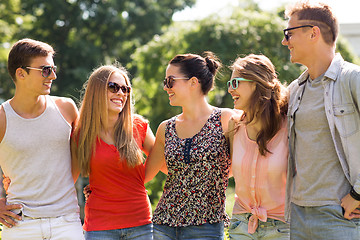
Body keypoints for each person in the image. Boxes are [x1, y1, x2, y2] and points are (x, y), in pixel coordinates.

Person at [282, 1, 360, 239]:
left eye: (289, 33)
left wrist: (357, 194)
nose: (285, 41)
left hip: (340, 217)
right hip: (298, 215)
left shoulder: (352, 79)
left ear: (313, 32)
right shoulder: (295, 90)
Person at [145, 52, 235, 239]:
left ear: (193, 82)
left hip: (206, 226)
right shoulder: (166, 128)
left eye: (170, 81)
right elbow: (143, 176)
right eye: (165, 82)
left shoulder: (226, 119)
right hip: (164, 224)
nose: (165, 87)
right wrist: (101, 187)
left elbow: (244, 164)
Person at [0, 38, 84, 239]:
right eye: (46, 70)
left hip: (67, 222)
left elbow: (81, 158)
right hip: (20, 224)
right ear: (21, 73)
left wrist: (56, 189)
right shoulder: (2, 118)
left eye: (54, 69)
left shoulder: (67, 109)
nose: (53, 76)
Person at [71, 64, 155, 240]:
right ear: (96, 91)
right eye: (113, 87)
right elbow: (67, 179)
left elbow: (166, 164)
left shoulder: (138, 126)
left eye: (125, 89)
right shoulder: (81, 134)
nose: (121, 93)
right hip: (99, 227)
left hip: (141, 225)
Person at [226, 54, 289, 239]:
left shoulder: (289, 126)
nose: (230, 90)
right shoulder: (234, 125)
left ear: (256, 83)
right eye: (229, 84)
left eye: (235, 83)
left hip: (282, 227)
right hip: (241, 225)